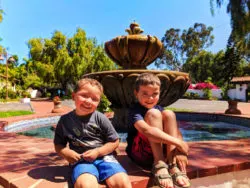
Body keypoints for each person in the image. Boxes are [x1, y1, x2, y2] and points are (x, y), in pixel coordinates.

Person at [54, 78, 131, 188]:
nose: (89, 101)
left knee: (123, 182)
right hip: (81, 160)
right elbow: (58, 145)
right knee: (86, 185)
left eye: (94, 99)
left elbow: (114, 141)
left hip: (104, 157)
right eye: (84, 95)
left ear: (98, 102)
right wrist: (66, 153)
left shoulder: (100, 118)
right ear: (73, 96)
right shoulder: (65, 121)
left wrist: (98, 152)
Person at [126, 73, 191, 188]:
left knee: (169, 114)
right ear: (136, 93)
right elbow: (147, 131)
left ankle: (172, 164)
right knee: (154, 114)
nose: (150, 98)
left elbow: (176, 132)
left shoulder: (160, 109)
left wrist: (180, 152)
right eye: (145, 93)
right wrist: (178, 143)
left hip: (165, 155)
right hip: (141, 155)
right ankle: (159, 164)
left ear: (159, 93)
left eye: (154, 94)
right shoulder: (134, 111)